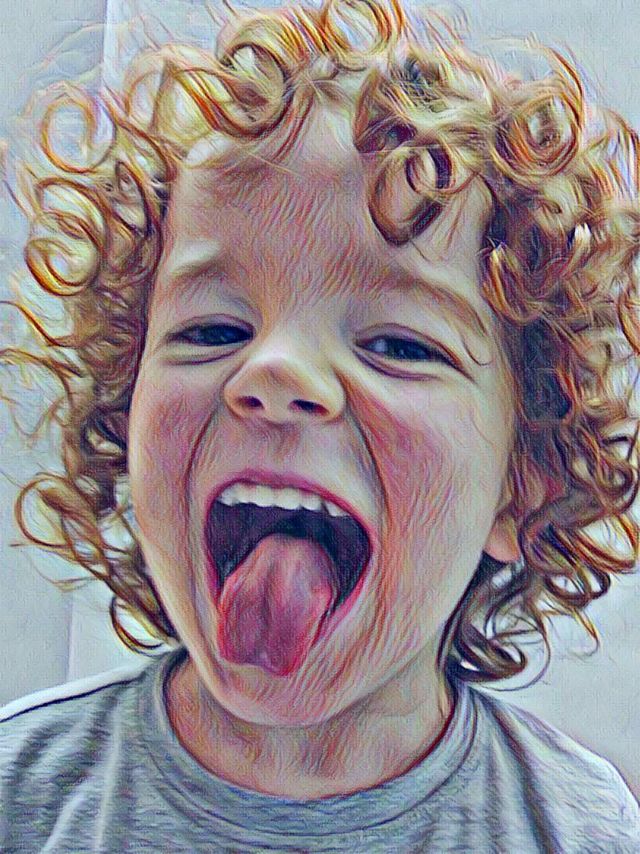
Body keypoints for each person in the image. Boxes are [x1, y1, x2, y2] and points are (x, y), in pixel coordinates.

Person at [1, 0, 639, 849]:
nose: (276, 373)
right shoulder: (23, 799)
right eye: (212, 330)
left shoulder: (580, 828)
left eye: (400, 345)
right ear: (126, 424)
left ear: (524, 485)